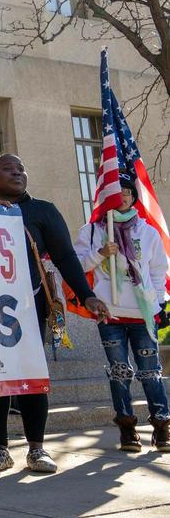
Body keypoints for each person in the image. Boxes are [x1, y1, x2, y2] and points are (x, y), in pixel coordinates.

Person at [0, 154, 111, 471]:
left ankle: (37, 449)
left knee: (31, 378)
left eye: (21, 168)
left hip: (30, 306)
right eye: (8, 169)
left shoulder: (43, 211)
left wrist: (87, 295)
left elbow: (65, 257)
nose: (17, 173)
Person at [73, 174, 168, 452]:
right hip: (109, 313)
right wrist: (100, 253)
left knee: (151, 373)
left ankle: (162, 426)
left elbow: (158, 271)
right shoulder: (92, 231)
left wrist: (158, 302)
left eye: (127, 192)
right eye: (117, 192)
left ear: (133, 197)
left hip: (142, 314)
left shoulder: (147, 232)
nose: (123, 196)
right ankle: (127, 428)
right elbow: (76, 266)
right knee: (119, 372)